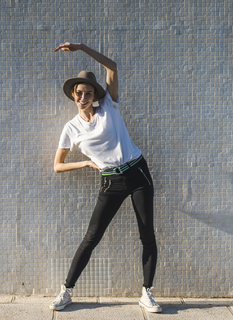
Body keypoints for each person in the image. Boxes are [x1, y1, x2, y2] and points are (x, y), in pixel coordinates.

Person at [50, 42, 161, 314]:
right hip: (111, 181)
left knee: (147, 235)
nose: (83, 97)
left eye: (88, 92)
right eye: (79, 93)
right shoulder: (71, 128)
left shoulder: (108, 105)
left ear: (94, 94)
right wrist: (85, 163)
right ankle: (66, 291)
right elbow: (57, 165)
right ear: (73, 95)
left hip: (137, 172)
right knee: (91, 237)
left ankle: (147, 293)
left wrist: (81, 47)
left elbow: (112, 67)